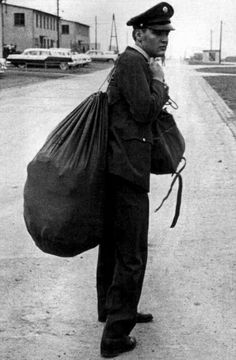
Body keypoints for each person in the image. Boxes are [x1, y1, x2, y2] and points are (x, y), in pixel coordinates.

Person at [96, 2, 175, 357]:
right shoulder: (133, 61)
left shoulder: (133, 61)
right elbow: (144, 110)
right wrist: (159, 82)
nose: (163, 39)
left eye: (166, 34)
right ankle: (115, 335)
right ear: (138, 33)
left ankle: (111, 310)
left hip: (119, 168)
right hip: (126, 172)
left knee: (114, 247)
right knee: (132, 254)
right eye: (157, 33)